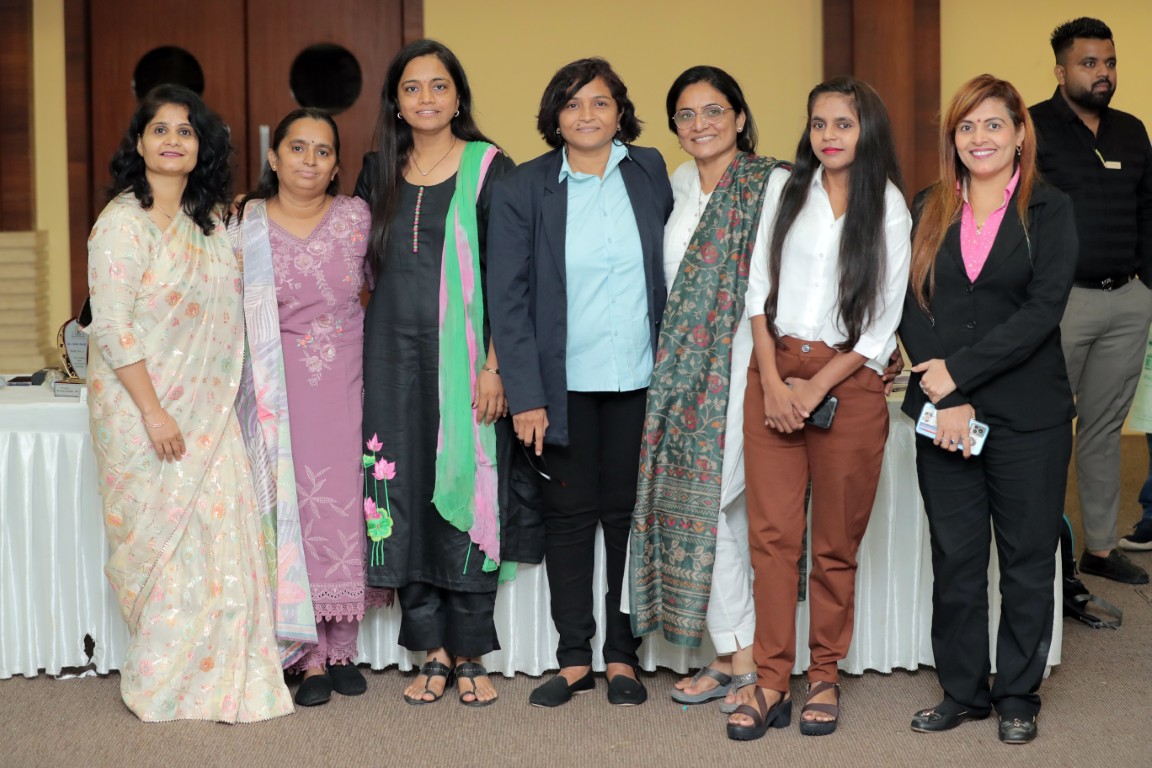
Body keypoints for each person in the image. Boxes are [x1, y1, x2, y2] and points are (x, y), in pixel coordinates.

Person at [86, 84, 293, 722]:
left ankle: (222, 678)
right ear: (140, 143)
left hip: (207, 411)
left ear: (201, 147)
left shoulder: (210, 225)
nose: (173, 140)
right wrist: (154, 413)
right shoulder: (122, 224)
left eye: (186, 130)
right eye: (160, 129)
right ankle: (162, 682)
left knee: (218, 543)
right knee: (167, 550)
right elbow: (112, 327)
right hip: (142, 412)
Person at [488, 57, 673, 708]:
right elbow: (507, 299)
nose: (586, 114)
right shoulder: (525, 187)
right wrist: (526, 394)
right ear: (554, 117)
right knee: (567, 521)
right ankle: (574, 660)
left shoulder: (650, 170)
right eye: (572, 104)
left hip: (641, 379)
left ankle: (622, 656)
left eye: (599, 102)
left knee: (627, 519)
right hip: (560, 387)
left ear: (620, 112)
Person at [901, 75, 1077, 745]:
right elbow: (907, 301)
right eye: (967, 126)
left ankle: (1018, 695)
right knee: (955, 557)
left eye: (994, 124)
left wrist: (958, 374)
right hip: (945, 414)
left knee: (1027, 558)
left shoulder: (1050, 209)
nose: (980, 138)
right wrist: (949, 396)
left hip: (1030, 415)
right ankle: (962, 691)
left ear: (1020, 133)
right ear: (953, 138)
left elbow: (1042, 311)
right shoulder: (929, 205)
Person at [735, 77, 910, 740]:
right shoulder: (786, 189)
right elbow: (757, 289)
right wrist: (774, 381)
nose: (828, 135)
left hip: (849, 378)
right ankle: (772, 679)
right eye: (818, 123)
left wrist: (814, 390)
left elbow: (881, 323)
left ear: (868, 130)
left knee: (834, 544)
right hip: (776, 368)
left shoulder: (887, 205)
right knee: (773, 539)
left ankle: (826, 674)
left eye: (843, 123)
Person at [354, 39, 523, 708]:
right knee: (400, 488)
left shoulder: (490, 168)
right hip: (388, 357)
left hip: (467, 363)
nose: (425, 98)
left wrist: (495, 365)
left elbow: (509, 276)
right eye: (412, 88)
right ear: (396, 102)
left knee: (466, 481)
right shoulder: (378, 171)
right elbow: (350, 260)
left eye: (438, 86)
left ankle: (471, 649)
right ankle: (430, 648)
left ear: (458, 97)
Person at [628, 66, 784, 713]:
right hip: (682, 376)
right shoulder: (677, 184)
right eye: (686, 114)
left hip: (748, 364)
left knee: (708, 504)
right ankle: (737, 654)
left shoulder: (771, 183)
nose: (701, 124)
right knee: (721, 512)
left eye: (714, 110)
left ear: (740, 117)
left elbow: (782, 283)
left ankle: (739, 656)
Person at [231, 108, 389, 707]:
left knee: (343, 503)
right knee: (287, 506)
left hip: (345, 380)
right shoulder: (242, 224)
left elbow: (386, 287)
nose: (310, 160)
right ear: (274, 158)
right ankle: (304, 654)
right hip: (271, 388)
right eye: (297, 148)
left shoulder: (356, 218)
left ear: (337, 165)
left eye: (323, 151)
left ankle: (339, 647)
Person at [1030, 17, 1152, 585]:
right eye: (1088, 64)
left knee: (1103, 431)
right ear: (1061, 72)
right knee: (1046, 428)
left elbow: (1148, 210)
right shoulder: (1032, 128)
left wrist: (1146, 286)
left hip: (1127, 301)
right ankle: (1039, 550)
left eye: (1109, 63)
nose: (1102, 73)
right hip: (1062, 305)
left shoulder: (1131, 130)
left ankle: (1099, 549)